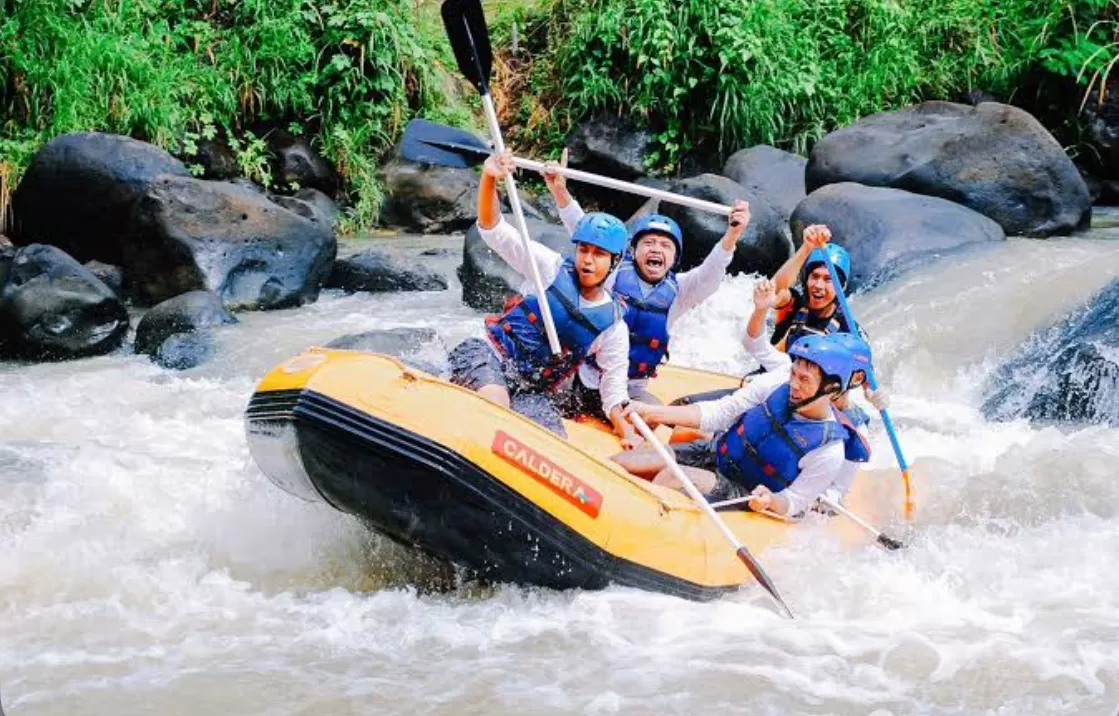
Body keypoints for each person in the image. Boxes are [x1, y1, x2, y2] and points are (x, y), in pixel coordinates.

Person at [446, 150, 640, 447]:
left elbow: (613, 390)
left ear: (614, 263)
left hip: (532, 389)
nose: (588, 260)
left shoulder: (613, 326)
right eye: (584, 250)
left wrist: (626, 432)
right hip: (490, 354)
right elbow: (492, 229)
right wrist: (489, 178)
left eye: (599, 254)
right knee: (496, 405)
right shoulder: (548, 268)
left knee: (551, 445)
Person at [541, 149, 751, 404]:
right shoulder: (612, 270)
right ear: (633, 250)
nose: (656, 249)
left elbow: (713, 269)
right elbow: (585, 230)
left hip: (631, 391)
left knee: (657, 421)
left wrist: (733, 234)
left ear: (675, 259)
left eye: (665, 246)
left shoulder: (683, 291)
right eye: (649, 242)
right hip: (584, 376)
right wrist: (560, 191)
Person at [618, 332, 865, 517]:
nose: (794, 384)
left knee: (670, 476)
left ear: (831, 389)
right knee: (628, 462)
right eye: (793, 373)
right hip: (716, 453)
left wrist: (771, 501)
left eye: (805, 379)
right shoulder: (775, 384)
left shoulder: (829, 450)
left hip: (744, 489)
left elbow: (794, 501)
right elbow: (720, 412)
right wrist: (653, 412)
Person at [743, 278, 888, 506]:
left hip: (782, 496)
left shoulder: (853, 429)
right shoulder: (797, 383)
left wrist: (785, 502)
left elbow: (833, 494)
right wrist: (761, 309)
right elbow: (755, 345)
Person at [769, 224, 856, 352]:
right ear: (806, 279)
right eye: (814, 276)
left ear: (841, 287)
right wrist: (806, 248)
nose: (818, 285)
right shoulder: (793, 305)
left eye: (828, 279)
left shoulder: (847, 331)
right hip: (771, 371)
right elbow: (773, 291)